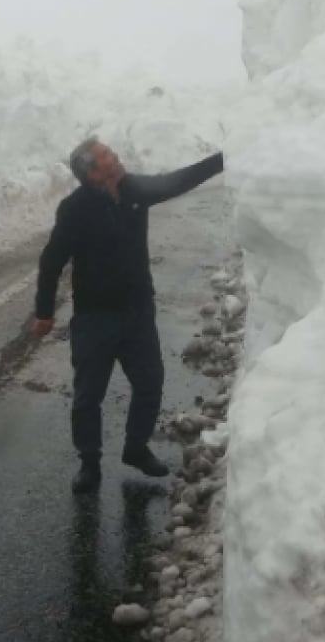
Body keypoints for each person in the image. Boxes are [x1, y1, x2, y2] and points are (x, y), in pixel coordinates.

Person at [33, 137, 224, 493]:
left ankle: (136, 447)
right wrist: (44, 312)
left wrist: (223, 160)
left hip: (137, 313)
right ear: (91, 173)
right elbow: (51, 261)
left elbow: (176, 181)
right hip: (94, 318)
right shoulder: (74, 209)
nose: (114, 155)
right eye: (106, 155)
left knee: (150, 382)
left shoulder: (134, 189)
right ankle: (89, 463)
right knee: (89, 396)